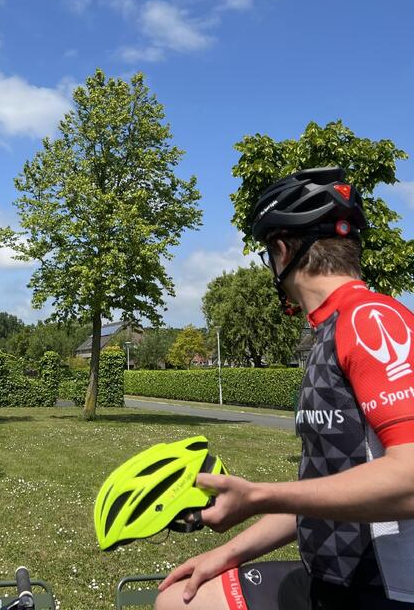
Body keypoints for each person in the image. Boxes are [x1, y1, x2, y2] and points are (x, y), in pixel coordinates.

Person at [156, 167, 414, 610]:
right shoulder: (330, 330)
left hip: (387, 591)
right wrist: (223, 554)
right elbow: (326, 493)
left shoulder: (371, 320)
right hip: (330, 580)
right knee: (184, 599)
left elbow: (410, 479)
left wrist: (258, 496)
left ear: (281, 250)